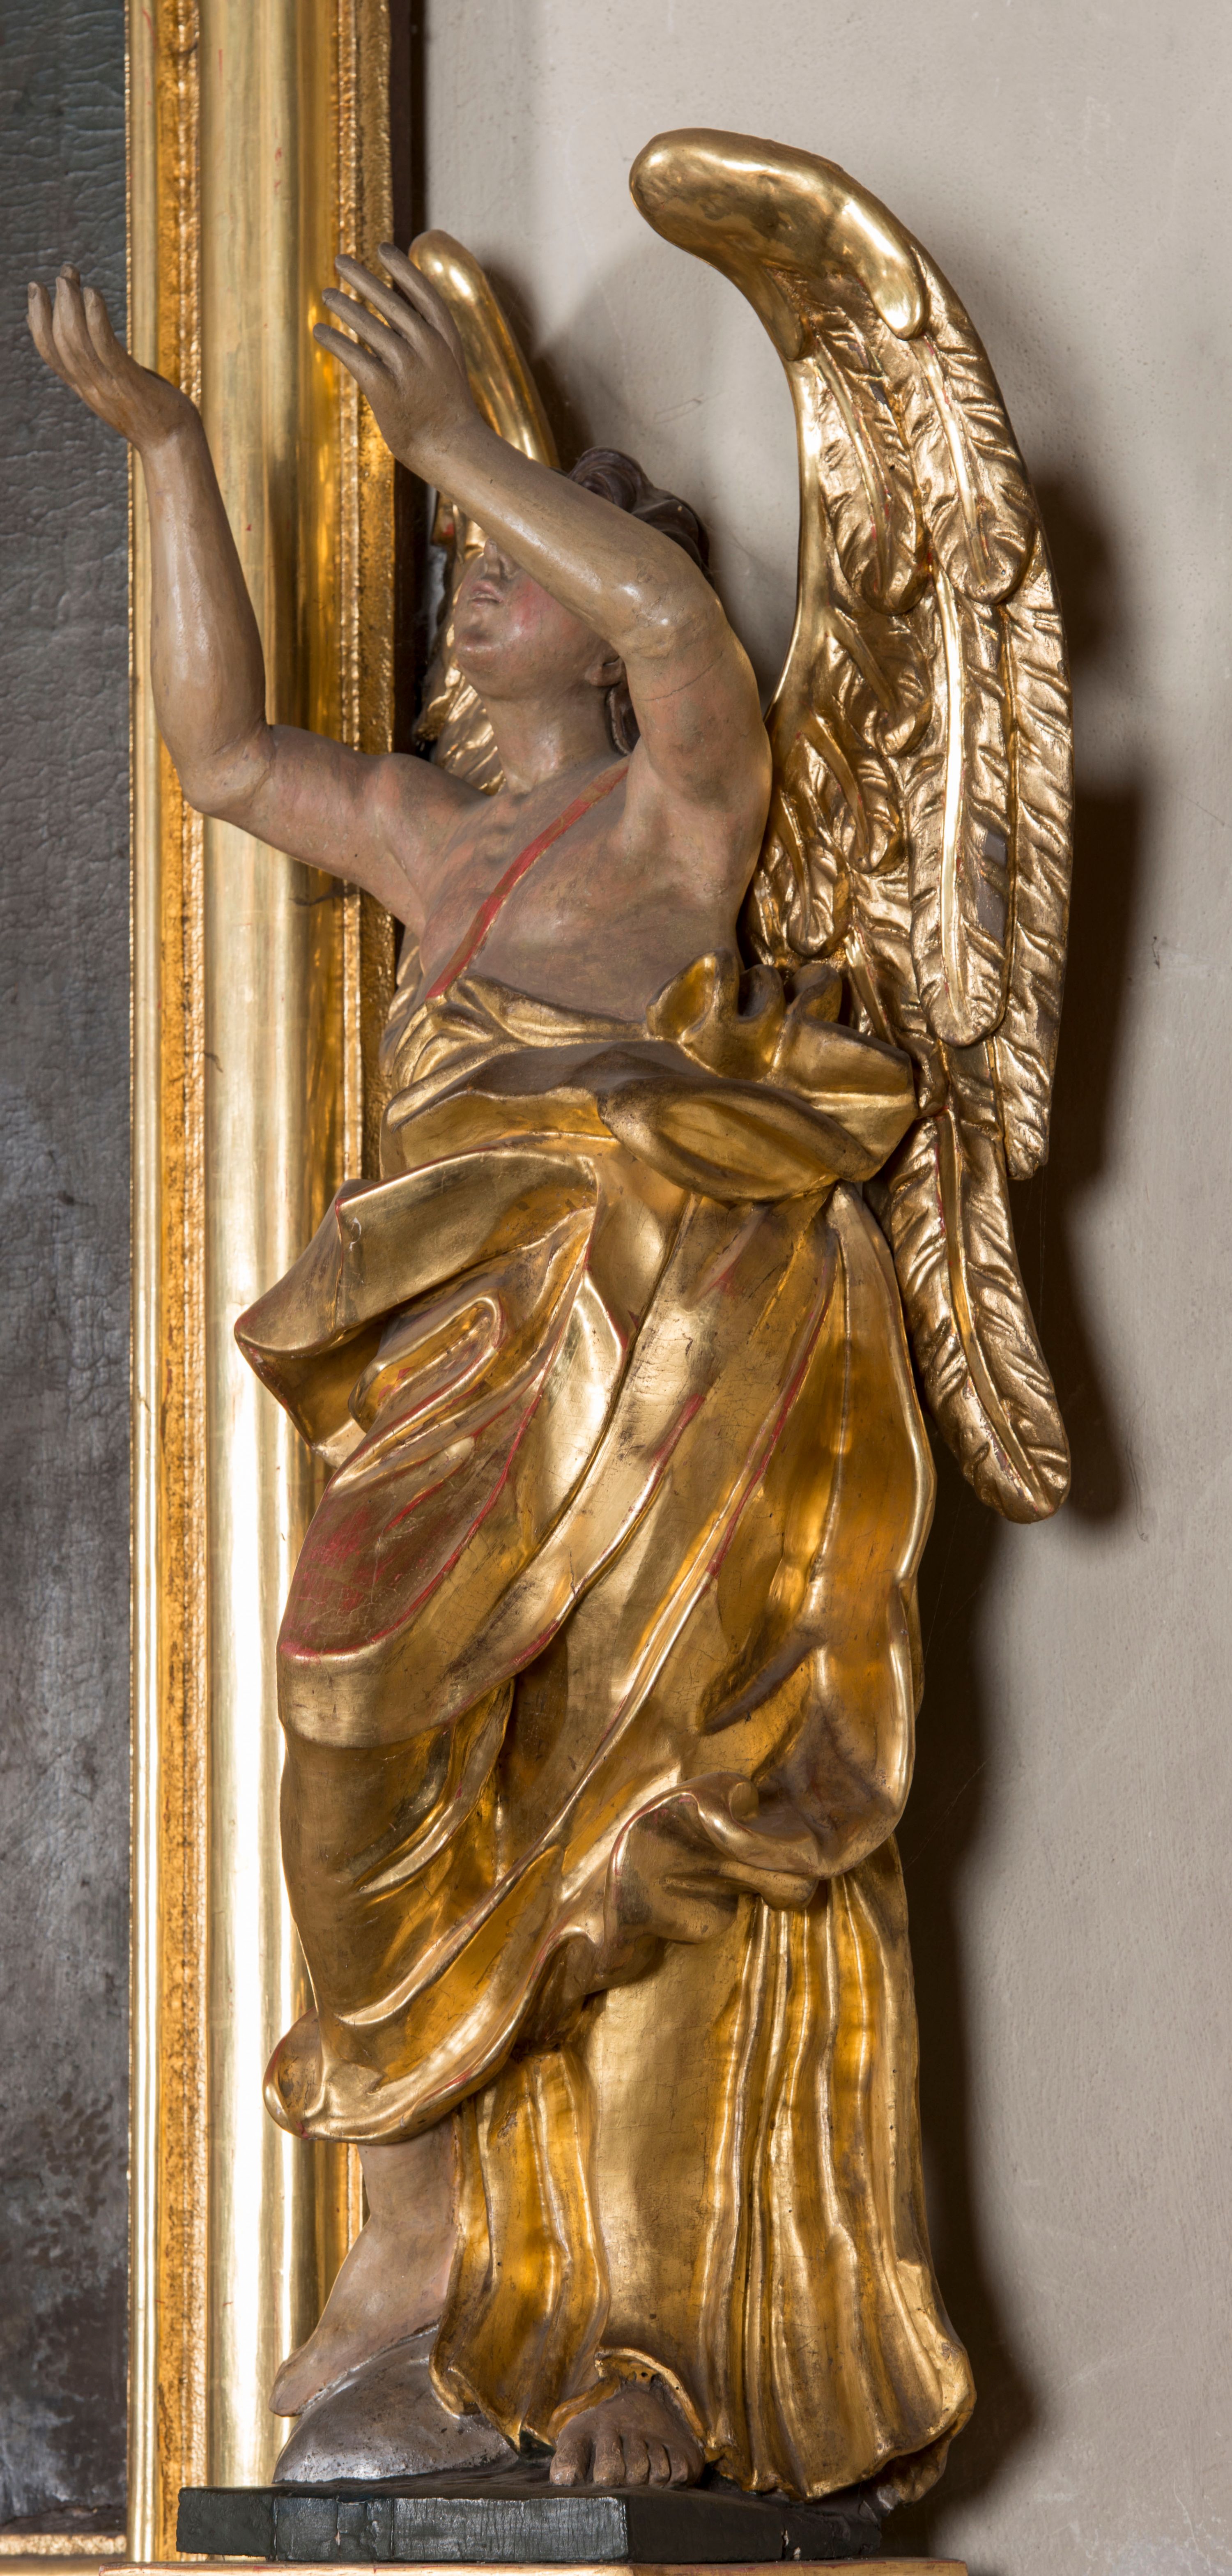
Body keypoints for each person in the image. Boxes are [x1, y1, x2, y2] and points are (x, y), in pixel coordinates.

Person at [29, 248, 972, 2501]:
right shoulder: (430, 840)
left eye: (501, 562)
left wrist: (460, 442)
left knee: (615, 1819)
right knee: (350, 1750)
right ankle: (415, 2216)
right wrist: (170, 454)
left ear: (596, 606)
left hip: (656, 1396)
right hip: (453, 1390)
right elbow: (223, 755)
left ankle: (609, 2317)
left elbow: (681, 637)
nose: (471, 582)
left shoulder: (678, 813)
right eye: (459, 555)